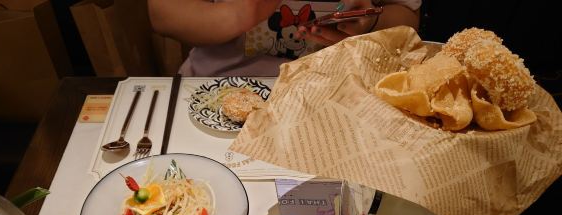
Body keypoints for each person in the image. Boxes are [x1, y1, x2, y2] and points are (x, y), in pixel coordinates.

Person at [147, 0, 421, 77]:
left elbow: (408, 18)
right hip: (217, 87)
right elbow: (163, 14)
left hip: (341, 91)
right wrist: (237, 14)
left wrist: (373, 22)